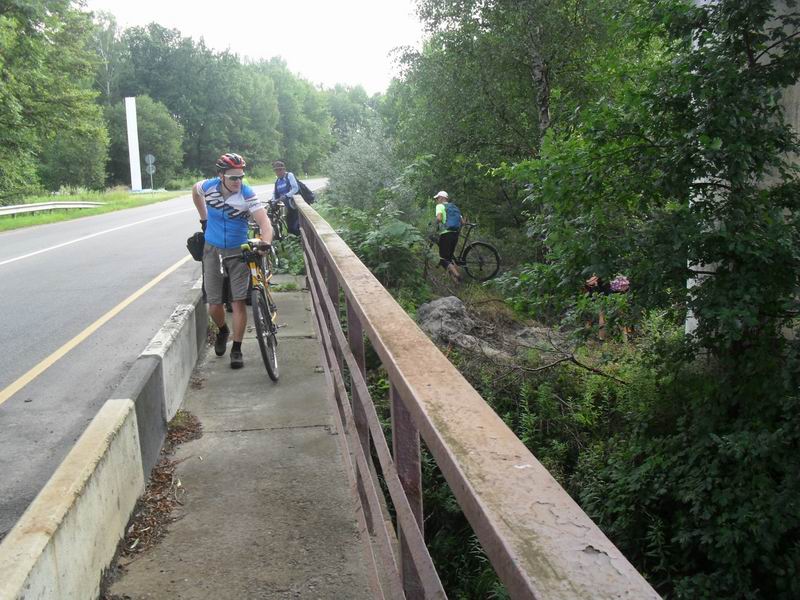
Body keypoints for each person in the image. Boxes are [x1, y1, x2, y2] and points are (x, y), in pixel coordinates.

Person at [192, 153, 274, 369]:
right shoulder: (208, 187)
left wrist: (265, 243)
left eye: (241, 177)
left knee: (238, 302)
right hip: (212, 250)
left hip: (239, 251)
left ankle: (236, 348)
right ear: (221, 176)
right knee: (214, 305)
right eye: (233, 178)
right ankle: (222, 330)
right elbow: (195, 190)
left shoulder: (247, 194)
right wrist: (204, 218)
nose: (239, 182)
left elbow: (265, 224)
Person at [434, 190, 465, 282]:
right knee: (449, 258)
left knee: (443, 259)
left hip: (445, 233)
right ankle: (456, 282)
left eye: (437, 198)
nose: (437, 200)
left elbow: (439, 218)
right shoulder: (454, 206)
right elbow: (462, 222)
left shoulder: (439, 206)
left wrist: (434, 224)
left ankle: (457, 275)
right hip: (455, 234)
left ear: (442, 198)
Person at [272, 160, 301, 235]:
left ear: (284, 169)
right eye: (276, 170)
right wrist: (273, 201)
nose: (278, 172)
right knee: (289, 227)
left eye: (280, 170)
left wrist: (286, 196)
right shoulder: (277, 181)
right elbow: (275, 194)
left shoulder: (289, 175)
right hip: (286, 208)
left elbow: (295, 188)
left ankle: (298, 241)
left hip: (294, 206)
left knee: (295, 226)